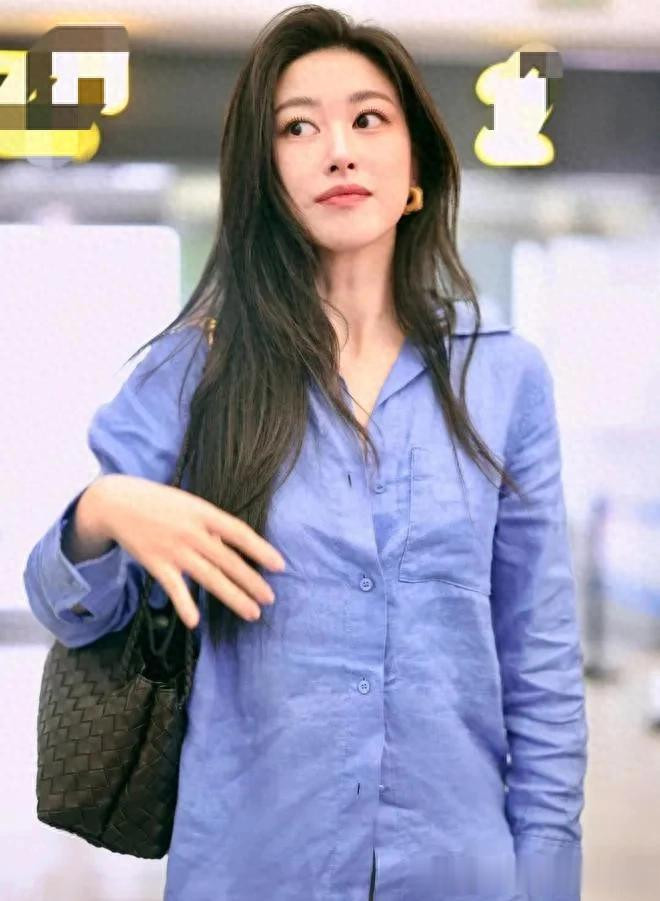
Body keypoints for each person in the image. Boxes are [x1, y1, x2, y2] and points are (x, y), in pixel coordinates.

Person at [23, 4, 588, 899]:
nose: (338, 151)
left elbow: (541, 661)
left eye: (369, 119)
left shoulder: (504, 378)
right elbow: (67, 605)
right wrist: (103, 511)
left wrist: (547, 877)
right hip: (252, 866)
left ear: (416, 170)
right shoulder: (193, 371)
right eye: (298, 127)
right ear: (266, 175)